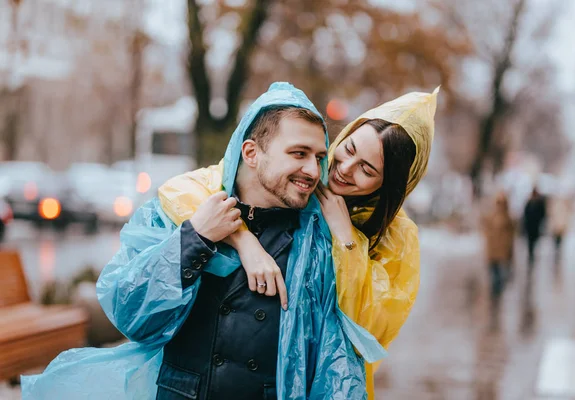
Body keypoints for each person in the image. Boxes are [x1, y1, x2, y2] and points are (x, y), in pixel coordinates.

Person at [21, 83, 370, 399]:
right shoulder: (177, 214)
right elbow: (132, 316)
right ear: (251, 153)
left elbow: (332, 360)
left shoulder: (316, 243)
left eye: (319, 157)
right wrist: (195, 238)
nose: (313, 170)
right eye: (299, 153)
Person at [159, 87, 439, 398]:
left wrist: (345, 237)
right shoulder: (299, 178)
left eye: (367, 169)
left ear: (387, 185)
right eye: (349, 149)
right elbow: (184, 190)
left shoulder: (396, 237)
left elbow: (370, 328)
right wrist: (244, 240)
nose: (345, 168)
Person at [481, 192, 515, 300]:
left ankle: (497, 295)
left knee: (500, 276)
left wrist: (509, 251)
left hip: (502, 252)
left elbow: (511, 236)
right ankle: (494, 295)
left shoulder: (508, 218)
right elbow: (485, 228)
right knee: (493, 274)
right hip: (492, 251)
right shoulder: (491, 215)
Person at [523, 187, 546, 267]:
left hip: (535, 226)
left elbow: (543, 214)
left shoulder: (539, 203)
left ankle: (532, 253)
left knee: (534, 241)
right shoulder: (529, 203)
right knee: (530, 242)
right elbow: (525, 215)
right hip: (530, 226)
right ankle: (531, 254)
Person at [548, 195, 571, 262]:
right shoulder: (555, 207)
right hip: (556, 227)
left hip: (560, 227)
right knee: (556, 241)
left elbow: (564, 218)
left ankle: (558, 251)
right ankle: (556, 251)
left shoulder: (563, 207)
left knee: (559, 240)